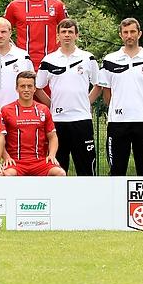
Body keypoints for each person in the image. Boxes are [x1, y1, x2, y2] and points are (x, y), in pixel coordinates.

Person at [98, 18, 143, 176]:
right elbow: (107, 94)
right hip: (117, 123)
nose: (129, 35)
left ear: (139, 33)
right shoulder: (109, 60)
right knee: (116, 171)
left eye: (133, 31)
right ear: (120, 35)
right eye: (126, 32)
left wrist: (141, 108)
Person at [35, 18, 99, 175]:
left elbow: (98, 85)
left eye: (70, 32)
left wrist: (86, 103)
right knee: (58, 169)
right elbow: (38, 88)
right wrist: (52, 105)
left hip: (82, 120)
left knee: (86, 168)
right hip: (58, 122)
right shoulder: (48, 60)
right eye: (63, 32)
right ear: (58, 36)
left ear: (77, 35)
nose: (67, 35)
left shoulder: (88, 58)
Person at [2, 71, 65, 176]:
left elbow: (52, 137)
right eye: (22, 86)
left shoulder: (43, 109)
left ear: (35, 88)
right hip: (16, 162)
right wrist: (6, 157)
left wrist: (52, 155)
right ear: (16, 88)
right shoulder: (6, 110)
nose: (26, 89)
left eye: (30, 86)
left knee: (60, 173)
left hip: (40, 162)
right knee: (6, 175)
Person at [4, 0, 67, 69]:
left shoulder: (57, 5)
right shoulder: (14, 5)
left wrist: (59, 51)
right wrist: (13, 50)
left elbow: (68, 31)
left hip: (52, 62)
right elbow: (2, 31)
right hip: (23, 62)